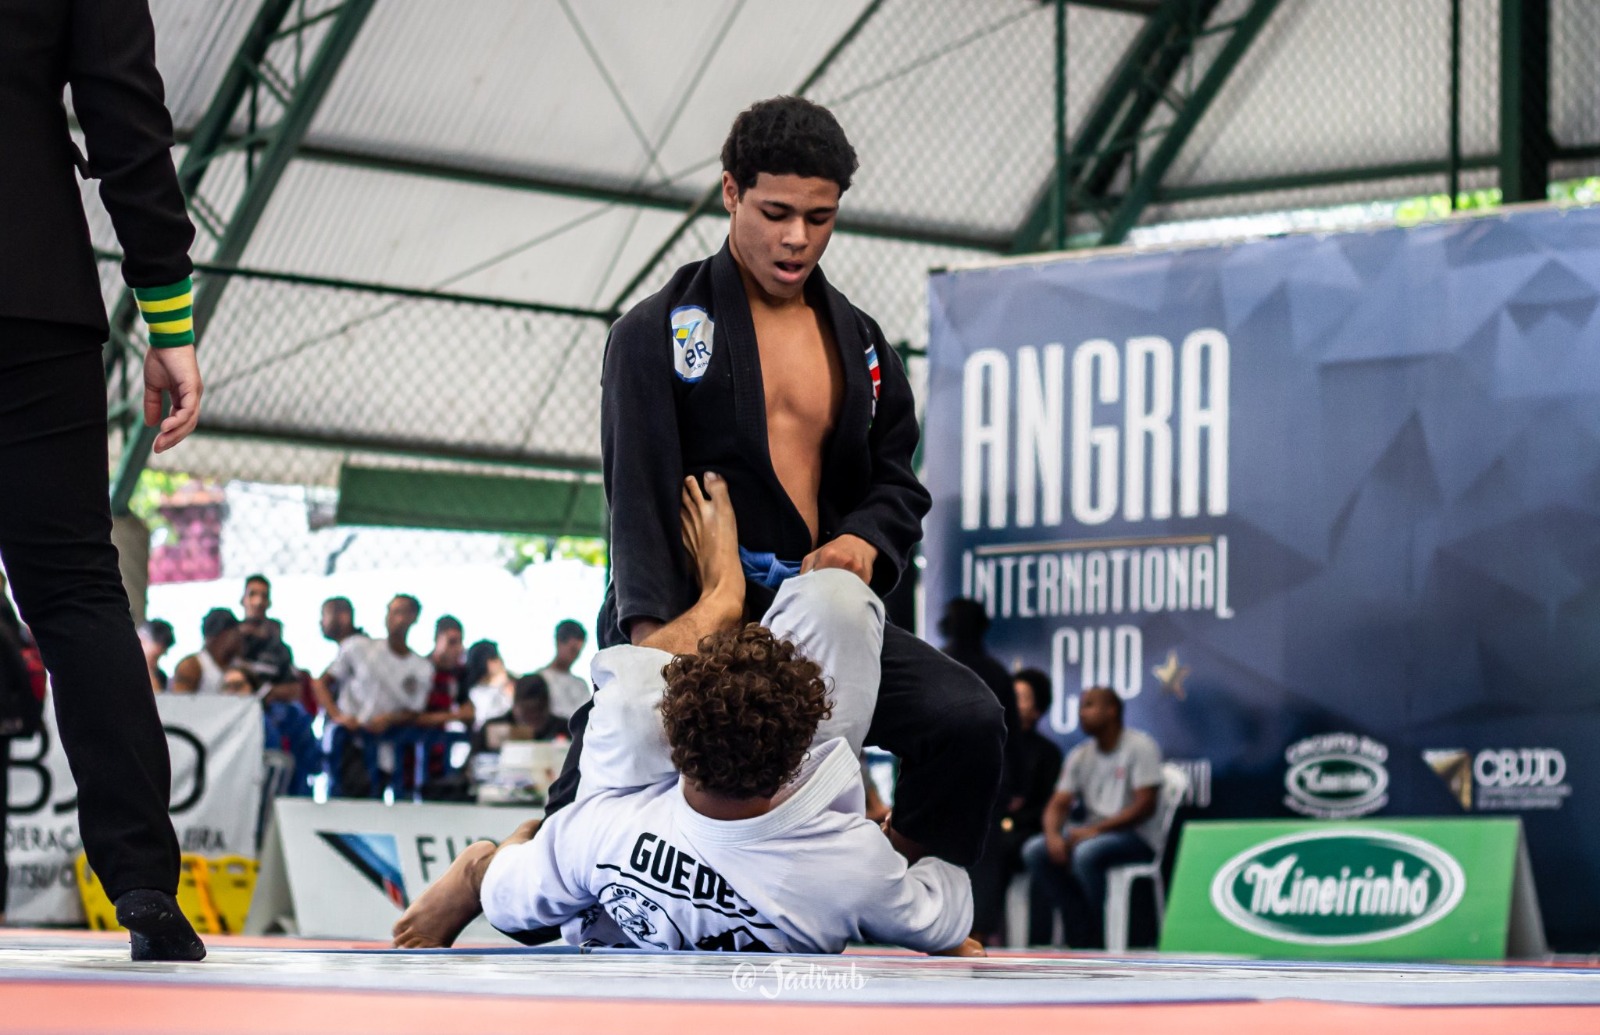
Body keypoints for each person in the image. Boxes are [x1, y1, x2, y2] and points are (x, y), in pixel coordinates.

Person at [564, 95, 1005, 872]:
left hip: (816, 613)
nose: (798, 237)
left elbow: (898, 483)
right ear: (731, 191)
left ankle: (899, 883)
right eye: (775, 212)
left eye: (820, 216)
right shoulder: (654, 332)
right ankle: (485, 871)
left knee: (967, 720)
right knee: (582, 804)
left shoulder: (861, 342)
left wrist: (863, 539)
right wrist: (655, 638)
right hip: (699, 602)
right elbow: (635, 501)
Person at [393, 474, 979, 955]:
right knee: (840, 601)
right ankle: (727, 595)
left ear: (672, 742)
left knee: (622, 707)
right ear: (797, 756)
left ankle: (719, 600)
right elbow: (943, 907)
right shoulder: (851, 866)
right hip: (803, 848)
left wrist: (490, 871)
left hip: (610, 874)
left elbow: (511, 890)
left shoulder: (604, 827)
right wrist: (906, 894)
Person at [0, 0, 205, 961]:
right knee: (77, 589)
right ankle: (141, 880)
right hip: (30, 291)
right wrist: (168, 316)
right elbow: (126, 120)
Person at [1021, 686, 1162, 948]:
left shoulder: (1139, 746)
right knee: (1035, 850)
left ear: (1112, 710)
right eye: (1081, 706)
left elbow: (1145, 806)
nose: (1081, 713)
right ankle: (1078, 930)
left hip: (1136, 837)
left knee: (1086, 853)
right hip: (1092, 834)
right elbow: (1058, 804)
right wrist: (1053, 836)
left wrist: (1094, 831)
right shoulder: (1080, 754)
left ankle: (1098, 935)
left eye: (1089, 705)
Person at [968, 668, 1063, 945]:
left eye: (1022, 697)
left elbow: (1046, 804)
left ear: (1038, 708)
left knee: (995, 846)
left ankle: (981, 930)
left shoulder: (1048, 753)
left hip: (1026, 831)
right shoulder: (995, 743)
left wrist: (1009, 820)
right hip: (990, 825)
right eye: (1011, 695)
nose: (1013, 702)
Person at [320, 594, 434, 796]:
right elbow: (320, 683)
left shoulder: (421, 668)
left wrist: (389, 719)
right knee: (345, 806)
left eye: (400, 612)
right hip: (350, 745)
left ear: (413, 617)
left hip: (389, 752)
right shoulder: (359, 647)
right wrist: (338, 716)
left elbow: (414, 711)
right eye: (390, 611)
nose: (392, 617)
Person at [238, 575, 299, 703]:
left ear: (269, 603)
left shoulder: (279, 648)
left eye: (264, 596)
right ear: (242, 600)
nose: (258, 602)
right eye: (252, 594)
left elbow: (294, 689)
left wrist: (263, 690)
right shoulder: (230, 641)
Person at [170, 610, 243, 695]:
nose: (239, 638)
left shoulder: (240, 666)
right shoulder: (192, 666)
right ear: (220, 636)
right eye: (235, 633)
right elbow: (179, 703)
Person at [538, 620, 589, 724]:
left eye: (578, 652)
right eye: (573, 650)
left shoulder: (581, 684)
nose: (575, 656)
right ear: (558, 643)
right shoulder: (541, 679)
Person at [463, 640, 514, 731]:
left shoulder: (506, 687)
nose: (501, 662)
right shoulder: (476, 694)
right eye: (496, 658)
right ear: (488, 663)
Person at [138, 619, 175, 691]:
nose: (155, 663)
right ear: (141, 641)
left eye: (159, 657)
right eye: (154, 657)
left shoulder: (160, 677)